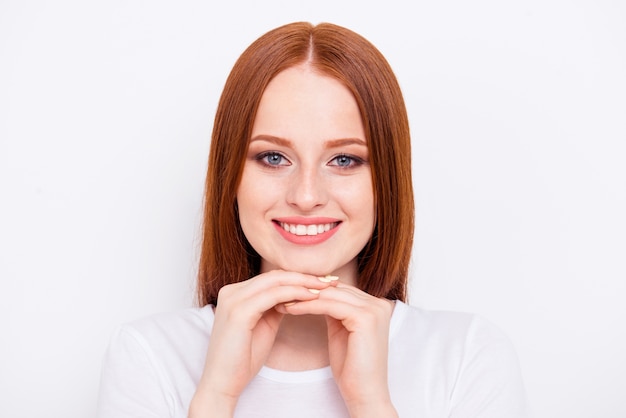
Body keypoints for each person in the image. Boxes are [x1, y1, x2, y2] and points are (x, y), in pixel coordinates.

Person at [97, 22, 529, 418]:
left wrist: (370, 404)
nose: (306, 196)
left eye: (344, 159)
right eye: (272, 157)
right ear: (231, 177)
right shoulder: (149, 355)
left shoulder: (467, 355)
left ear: (388, 183)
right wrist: (216, 398)